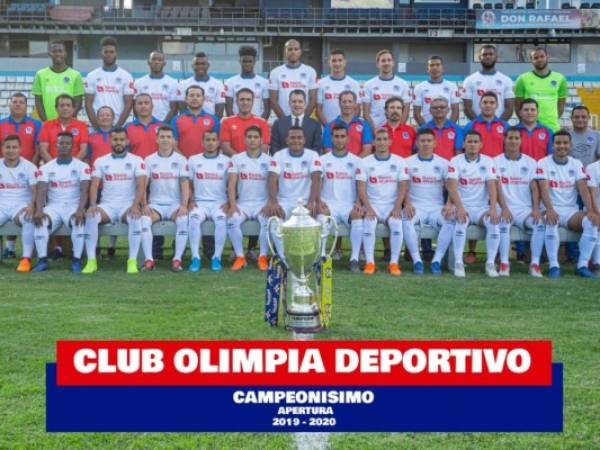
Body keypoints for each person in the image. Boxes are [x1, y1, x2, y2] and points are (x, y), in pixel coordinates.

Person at [82, 127, 146, 274]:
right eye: (115, 139)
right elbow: (94, 184)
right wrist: (93, 205)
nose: (119, 142)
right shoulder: (101, 161)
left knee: (136, 218)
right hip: (107, 206)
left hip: (127, 205)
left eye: (122, 139)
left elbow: (141, 185)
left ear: (127, 141)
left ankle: (132, 261)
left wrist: (136, 205)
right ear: (110, 141)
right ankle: (91, 261)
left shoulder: (136, 160)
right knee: (91, 217)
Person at [536, 130, 599, 278]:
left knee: (592, 222)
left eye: (565, 143)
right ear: (553, 145)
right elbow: (543, 189)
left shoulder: (576, 163)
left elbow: (583, 190)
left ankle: (582, 265)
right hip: (551, 209)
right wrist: (549, 209)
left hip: (571, 212)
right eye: (558, 143)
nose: (562, 146)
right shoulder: (543, 162)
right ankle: (554, 266)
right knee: (551, 222)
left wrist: (590, 210)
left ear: (570, 145)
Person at [31, 132, 90, 273]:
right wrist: (39, 209)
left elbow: (84, 190)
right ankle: (42, 260)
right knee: (41, 222)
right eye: (61, 143)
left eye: (67, 144)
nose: (64, 146)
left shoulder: (82, 166)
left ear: (72, 146)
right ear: (55, 145)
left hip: (73, 206)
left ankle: (76, 261)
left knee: (78, 222)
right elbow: (41, 191)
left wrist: (80, 209)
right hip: (54, 207)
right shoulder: (46, 168)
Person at [446, 130, 501, 278]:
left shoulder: (488, 161)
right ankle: (458, 263)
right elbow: (452, 186)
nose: (472, 145)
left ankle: (490, 264)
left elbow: (492, 186)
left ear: (481, 144)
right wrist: (460, 208)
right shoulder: (455, 160)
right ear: (464, 144)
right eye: (469, 142)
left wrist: (493, 208)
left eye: (475, 142)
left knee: (494, 222)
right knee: (460, 221)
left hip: (482, 208)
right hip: (464, 206)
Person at [494, 127, 545, 277]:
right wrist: (504, 208)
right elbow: (495, 188)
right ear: (504, 140)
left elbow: (535, 189)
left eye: (516, 138)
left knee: (539, 223)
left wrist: (535, 209)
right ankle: (504, 263)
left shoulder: (530, 162)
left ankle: (534, 264)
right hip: (503, 208)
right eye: (510, 138)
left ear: (521, 141)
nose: (513, 141)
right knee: (503, 223)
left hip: (524, 209)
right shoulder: (495, 161)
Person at [402, 128, 455, 275]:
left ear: (435, 143)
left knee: (450, 219)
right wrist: (407, 203)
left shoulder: (443, 163)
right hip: (416, 207)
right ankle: (417, 261)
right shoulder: (407, 162)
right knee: (406, 220)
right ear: (417, 143)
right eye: (422, 141)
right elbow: (403, 186)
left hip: (436, 207)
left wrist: (449, 204)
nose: (426, 144)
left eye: (429, 141)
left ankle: (436, 261)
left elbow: (451, 186)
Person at [357, 128, 408, 276]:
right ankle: (370, 262)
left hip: (391, 206)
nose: (382, 142)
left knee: (397, 223)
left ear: (390, 142)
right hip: (372, 204)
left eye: (385, 139)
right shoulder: (365, 162)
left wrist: (397, 206)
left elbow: (403, 186)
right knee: (368, 222)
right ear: (373, 142)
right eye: (378, 139)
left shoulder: (399, 161)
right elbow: (361, 188)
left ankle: (393, 263)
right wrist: (369, 208)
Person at [266, 126, 322, 259]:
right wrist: (274, 202)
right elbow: (272, 179)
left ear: (304, 140)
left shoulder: (312, 155)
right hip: (284, 201)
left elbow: (316, 179)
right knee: (274, 221)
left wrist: (311, 202)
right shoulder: (279, 155)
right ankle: (284, 257)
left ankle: (314, 257)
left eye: (299, 137)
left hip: (304, 203)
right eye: (292, 137)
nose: (295, 140)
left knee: (320, 221)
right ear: (287, 140)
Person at [139, 125, 189, 272]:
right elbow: (143, 184)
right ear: (157, 139)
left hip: (174, 205)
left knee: (183, 220)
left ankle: (177, 260)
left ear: (174, 140)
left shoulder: (181, 160)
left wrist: (184, 205)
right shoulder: (149, 160)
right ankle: (149, 260)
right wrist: (145, 204)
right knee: (144, 220)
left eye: (168, 137)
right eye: (162, 137)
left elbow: (185, 184)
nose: (165, 140)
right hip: (156, 205)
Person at [319, 124, 365, 273]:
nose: (339, 140)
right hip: (329, 203)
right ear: (331, 138)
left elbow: (361, 185)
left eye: (342, 136)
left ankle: (354, 259)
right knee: (322, 216)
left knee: (357, 215)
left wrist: (358, 202)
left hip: (348, 205)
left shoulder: (357, 161)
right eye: (336, 137)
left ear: (348, 138)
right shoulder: (322, 160)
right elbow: (317, 184)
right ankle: (321, 257)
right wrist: (319, 201)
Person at [0, 96, 41, 258]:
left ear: (26, 105)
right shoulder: (2, 123)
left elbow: (39, 148)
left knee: (27, 215)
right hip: (5, 173)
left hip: (26, 169)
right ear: (9, 104)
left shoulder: (36, 124)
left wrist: (30, 165)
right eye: (14, 101)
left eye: (21, 102)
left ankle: (26, 257)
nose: (17, 104)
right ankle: (9, 248)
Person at [226, 126, 272, 272]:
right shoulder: (236, 159)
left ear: (261, 140)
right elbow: (231, 184)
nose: (252, 140)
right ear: (245, 139)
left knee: (267, 222)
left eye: (255, 137)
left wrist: (270, 203)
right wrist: (233, 205)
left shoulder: (270, 160)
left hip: (262, 204)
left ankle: (262, 257)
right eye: (249, 137)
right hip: (243, 204)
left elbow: (274, 184)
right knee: (232, 220)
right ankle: (240, 257)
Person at [187, 131, 230, 272]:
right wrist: (190, 199)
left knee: (221, 220)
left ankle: (216, 257)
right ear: (202, 142)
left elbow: (233, 184)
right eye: (207, 140)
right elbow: (188, 182)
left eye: (213, 140)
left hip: (219, 203)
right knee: (193, 219)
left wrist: (230, 201)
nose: (210, 143)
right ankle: (195, 257)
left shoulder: (226, 161)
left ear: (218, 142)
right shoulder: (193, 160)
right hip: (200, 203)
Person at [0, 135, 36, 272]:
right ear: (2, 149)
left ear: (20, 149)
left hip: (20, 206)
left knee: (29, 219)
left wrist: (32, 205)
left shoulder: (29, 167)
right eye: (7, 147)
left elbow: (35, 190)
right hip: (1, 205)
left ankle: (26, 259)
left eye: (14, 147)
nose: (11, 150)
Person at [85, 36, 134, 129]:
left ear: (116, 54)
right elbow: (88, 104)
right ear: (101, 53)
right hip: (96, 127)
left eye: (112, 52)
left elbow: (128, 104)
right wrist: (96, 127)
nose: (109, 54)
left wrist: (118, 126)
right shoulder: (91, 76)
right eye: (106, 52)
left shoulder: (126, 76)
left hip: (118, 127)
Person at [515, 47, 567, 132]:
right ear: (531, 60)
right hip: (530, 128)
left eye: (542, 56)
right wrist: (525, 123)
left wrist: (551, 119)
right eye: (536, 58)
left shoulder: (560, 78)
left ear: (547, 57)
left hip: (552, 128)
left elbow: (561, 106)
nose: (539, 59)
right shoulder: (522, 79)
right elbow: (518, 106)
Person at [32, 40, 84, 122]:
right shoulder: (40, 74)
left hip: (69, 124)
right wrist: (46, 122)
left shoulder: (75, 75)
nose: (57, 54)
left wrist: (68, 120)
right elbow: (38, 102)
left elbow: (78, 102)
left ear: (65, 53)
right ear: (50, 53)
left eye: (60, 51)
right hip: (48, 123)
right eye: (54, 51)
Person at [462, 45, 514, 122]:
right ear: (479, 58)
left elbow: (509, 108)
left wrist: (498, 125)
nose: (488, 57)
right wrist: (479, 124)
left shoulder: (506, 80)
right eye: (485, 54)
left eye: (491, 54)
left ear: (496, 57)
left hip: (499, 127)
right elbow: (467, 108)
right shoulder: (469, 80)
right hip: (477, 128)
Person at [363, 49, 411, 129]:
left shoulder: (403, 84)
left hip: (395, 131)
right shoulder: (368, 85)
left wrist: (396, 129)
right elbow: (366, 113)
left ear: (393, 63)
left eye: (389, 60)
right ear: (378, 64)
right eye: (383, 60)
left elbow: (405, 112)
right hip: (375, 131)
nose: (386, 63)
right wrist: (375, 130)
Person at [269, 39, 318, 118]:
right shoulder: (275, 72)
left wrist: (303, 119)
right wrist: (285, 120)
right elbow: (273, 101)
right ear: (285, 52)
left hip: (303, 120)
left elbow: (313, 100)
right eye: (290, 49)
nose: (293, 52)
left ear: (300, 51)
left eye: (296, 49)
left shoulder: (310, 71)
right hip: (283, 119)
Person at [170, 85, 220, 158]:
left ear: (203, 99)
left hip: (206, 164)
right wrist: (185, 161)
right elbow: (173, 145)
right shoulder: (176, 120)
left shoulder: (213, 120)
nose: (195, 98)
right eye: (191, 95)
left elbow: (218, 144)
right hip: (184, 164)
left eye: (198, 96)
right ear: (186, 99)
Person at [317, 48, 362, 125]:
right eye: (334, 61)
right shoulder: (320, 83)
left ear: (345, 62)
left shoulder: (354, 84)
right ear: (329, 63)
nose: (337, 64)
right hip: (327, 129)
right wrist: (328, 127)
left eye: (340, 60)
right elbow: (318, 109)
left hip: (347, 131)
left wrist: (348, 126)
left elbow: (357, 109)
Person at [38, 94, 88, 162]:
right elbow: (43, 150)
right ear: (56, 108)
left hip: (74, 168)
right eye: (62, 105)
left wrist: (72, 166)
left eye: (68, 105)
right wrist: (55, 166)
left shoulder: (82, 126)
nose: (65, 108)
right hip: (52, 168)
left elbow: (83, 150)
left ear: (73, 109)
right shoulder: (46, 125)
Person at [220, 88, 270, 156]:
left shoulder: (262, 123)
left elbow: (264, 147)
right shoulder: (226, 122)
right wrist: (241, 161)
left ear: (253, 102)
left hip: (255, 163)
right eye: (242, 99)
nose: (245, 102)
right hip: (234, 163)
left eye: (248, 100)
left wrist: (251, 161)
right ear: (237, 102)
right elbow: (225, 147)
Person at [322, 90, 373, 157]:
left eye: (350, 101)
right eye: (344, 102)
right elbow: (328, 150)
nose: (347, 104)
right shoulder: (329, 126)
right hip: (337, 166)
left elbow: (367, 150)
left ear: (355, 104)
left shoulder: (364, 125)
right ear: (339, 103)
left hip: (358, 165)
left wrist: (353, 164)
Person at [224, 46, 270, 120]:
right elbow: (228, 107)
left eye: (250, 61)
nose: (247, 64)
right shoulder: (230, 82)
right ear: (240, 61)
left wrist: (260, 124)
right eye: (244, 61)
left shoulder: (264, 82)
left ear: (254, 61)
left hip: (256, 126)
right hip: (237, 125)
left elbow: (267, 109)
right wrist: (234, 123)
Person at [413, 56, 460, 126]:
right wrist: (426, 129)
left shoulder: (452, 87)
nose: (435, 67)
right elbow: (416, 113)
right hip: (428, 131)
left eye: (438, 65)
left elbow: (455, 111)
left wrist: (448, 128)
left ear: (442, 68)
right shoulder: (419, 87)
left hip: (447, 129)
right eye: (432, 65)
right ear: (427, 69)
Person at [176, 51, 225, 118]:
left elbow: (219, 112)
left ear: (208, 66)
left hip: (210, 125)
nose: (200, 66)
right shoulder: (183, 84)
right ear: (192, 66)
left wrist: (210, 124)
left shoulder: (218, 84)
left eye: (203, 64)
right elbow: (182, 110)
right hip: (189, 125)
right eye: (197, 64)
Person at [133, 50, 179, 123]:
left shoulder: (173, 82)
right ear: (148, 62)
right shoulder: (139, 83)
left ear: (164, 63)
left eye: (160, 60)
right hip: (145, 125)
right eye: (154, 59)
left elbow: (174, 108)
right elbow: (135, 106)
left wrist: (164, 124)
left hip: (165, 125)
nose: (156, 62)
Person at [463, 91, 509, 158]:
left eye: (492, 103)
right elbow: (464, 150)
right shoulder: (470, 126)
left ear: (497, 106)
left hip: (499, 166)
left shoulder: (505, 126)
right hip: (478, 166)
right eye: (485, 102)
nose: (488, 105)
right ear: (480, 104)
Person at [125, 94, 161, 159]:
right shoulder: (127, 128)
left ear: (152, 106)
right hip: (136, 168)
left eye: (146, 103)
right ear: (135, 107)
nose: (143, 106)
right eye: (140, 103)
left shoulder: (162, 126)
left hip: (158, 167)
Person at [586, 154, 600, 274]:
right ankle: (597, 263)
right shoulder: (592, 168)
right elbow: (592, 194)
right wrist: (597, 212)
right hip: (595, 209)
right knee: (596, 220)